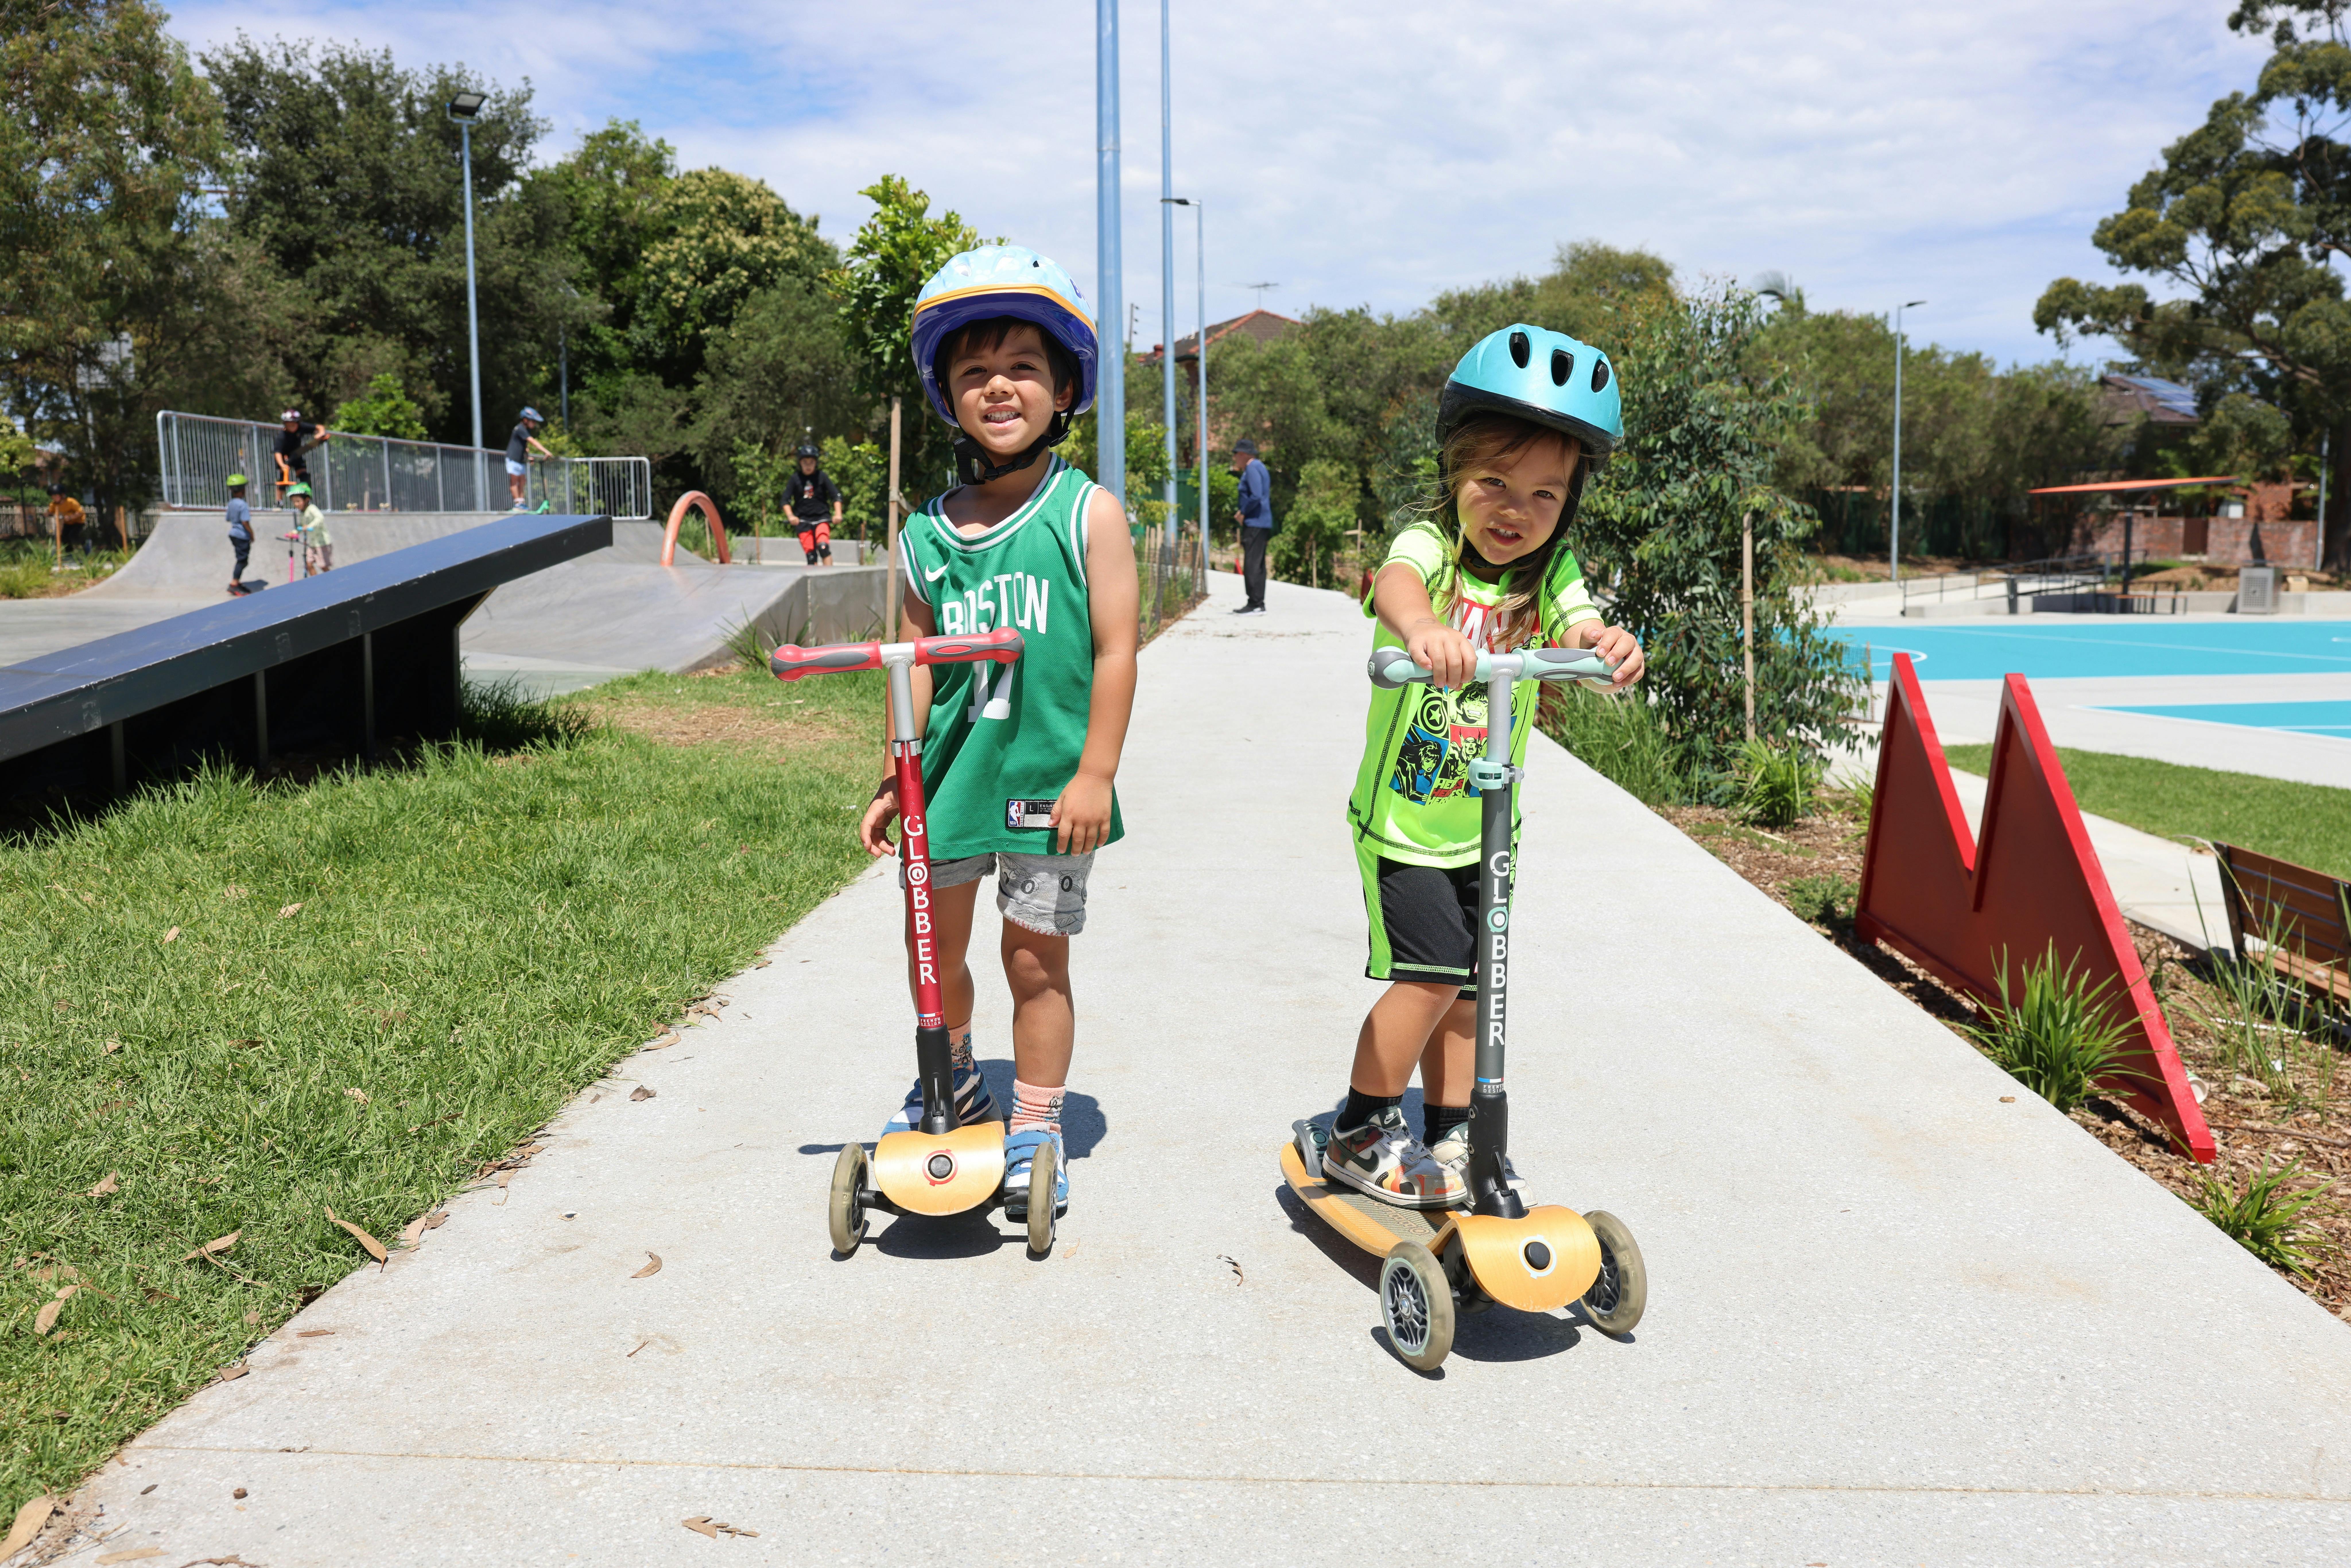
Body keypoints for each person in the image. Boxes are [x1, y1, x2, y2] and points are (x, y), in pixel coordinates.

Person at [1314, 324, 1647, 1208]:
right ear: (1455, 472)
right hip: (1405, 823)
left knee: (1471, 993)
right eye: (1494, 482)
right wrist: (1422, 630)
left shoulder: (1552, 573)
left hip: (1487, 828)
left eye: (1545, 493)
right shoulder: (1433, 547)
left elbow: (1577, 624)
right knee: (1428, 978)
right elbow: (1397, 583)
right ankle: (1356, 1128)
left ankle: (1452, 1134)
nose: (1516, 509)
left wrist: (1600, 645)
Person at [858, 244, 1140, 1220]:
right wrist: (895, 776)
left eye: (1022, 365)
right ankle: (956, 1078)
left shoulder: (1086, 513)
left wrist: (1096, 772)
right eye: (974, 371)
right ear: (948, 395)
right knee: (929, 947)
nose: (999, 386)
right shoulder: (926, 531)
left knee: (1035, 958)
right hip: (949, 781)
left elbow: (1115, 650)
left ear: (1064, 386)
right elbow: (913, 659)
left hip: (1048, 789)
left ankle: (1035, 1121)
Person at [1231, 437, 1272, 614]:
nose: (1235, 459)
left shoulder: (1253, 468)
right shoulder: (1260, 467)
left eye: (1236, 455)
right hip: (1261, 522)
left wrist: (1243, 513)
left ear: (1243, 454)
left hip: (1255, 522)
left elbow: (1256, 496)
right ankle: (1258, 603)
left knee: (1252, 564)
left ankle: (1254, 603)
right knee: (1258, 563)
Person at [783, 442, 842, 565]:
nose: (808, 466)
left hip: (821, 518)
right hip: (803, 521)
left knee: (824, 548)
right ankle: (813, 582)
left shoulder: (822, 477)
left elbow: (836, 496)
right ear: (800, 463)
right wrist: (791, 517)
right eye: (805, 462)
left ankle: (829, 578)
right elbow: (785, 500)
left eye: (812, 462)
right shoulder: (795, 479)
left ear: (816, 463)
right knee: (811, 556)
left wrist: (838, 514)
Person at [274, 409, 330, 502]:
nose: (292, 427)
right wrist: (282, 465)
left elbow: (320, 427)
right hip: (284, 458)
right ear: (285, 424)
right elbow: (278, 453)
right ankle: (279, 502)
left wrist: (321, 434)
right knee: (283, 480)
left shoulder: (302, 427)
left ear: (298, 423)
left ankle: (306, 499)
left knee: (305, 477)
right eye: (289, 425)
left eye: (294, 425)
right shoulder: (282, 436)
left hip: (297, 455)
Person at [507, 407, 554, 509]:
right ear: (526, 420)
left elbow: (523, 447)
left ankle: (522, 503)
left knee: (523, 481)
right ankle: (518, 504)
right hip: (513, 459)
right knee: (515, 481)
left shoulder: (525, 430)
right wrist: (546, 452)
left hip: (520, 460)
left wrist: (528, 457)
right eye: (533, 421)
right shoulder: (520, 429)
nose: (535, 424)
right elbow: (533, 442)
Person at [286, 482, 331, 574]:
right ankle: (316, 583)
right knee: (309, 564)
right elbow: (301, 526)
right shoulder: (303, 513)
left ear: (307, 499)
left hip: (322, 543)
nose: (296, 504)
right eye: (294, 502)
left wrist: (309, 527)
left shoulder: (312, 509)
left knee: (323, 566)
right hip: (313, 544)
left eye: (298, 501)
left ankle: (332, 580)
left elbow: (320, 518)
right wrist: (294, 533)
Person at [224, 473, 257, 593]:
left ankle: (236, 582)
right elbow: (245, 522)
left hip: (233, 534)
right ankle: (234, 584)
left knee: (242, 559)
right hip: (242, 536)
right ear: (243, 490)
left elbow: (228, 518)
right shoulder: (243, 505)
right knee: (242, 561)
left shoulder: (231, 503)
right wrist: (252, 534)